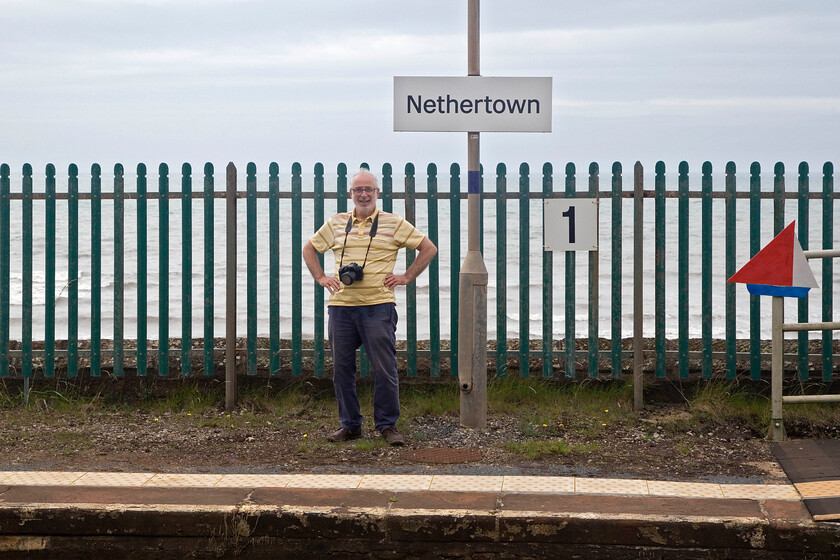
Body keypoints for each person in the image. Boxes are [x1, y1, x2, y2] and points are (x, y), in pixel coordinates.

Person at [302, 168, 437, 446]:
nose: (363, 194)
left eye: (368, 189)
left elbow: (429, 248)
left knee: (384, 368)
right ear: (350, 194)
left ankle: (387, 426)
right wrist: (321, 277)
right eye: (358, 190)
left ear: (377, 193)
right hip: (341, 307)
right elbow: (309, 248)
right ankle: (350, 425)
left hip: (379, 307)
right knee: (342, 370)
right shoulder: (337, 223)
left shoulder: (393, 223)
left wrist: (406, 277)